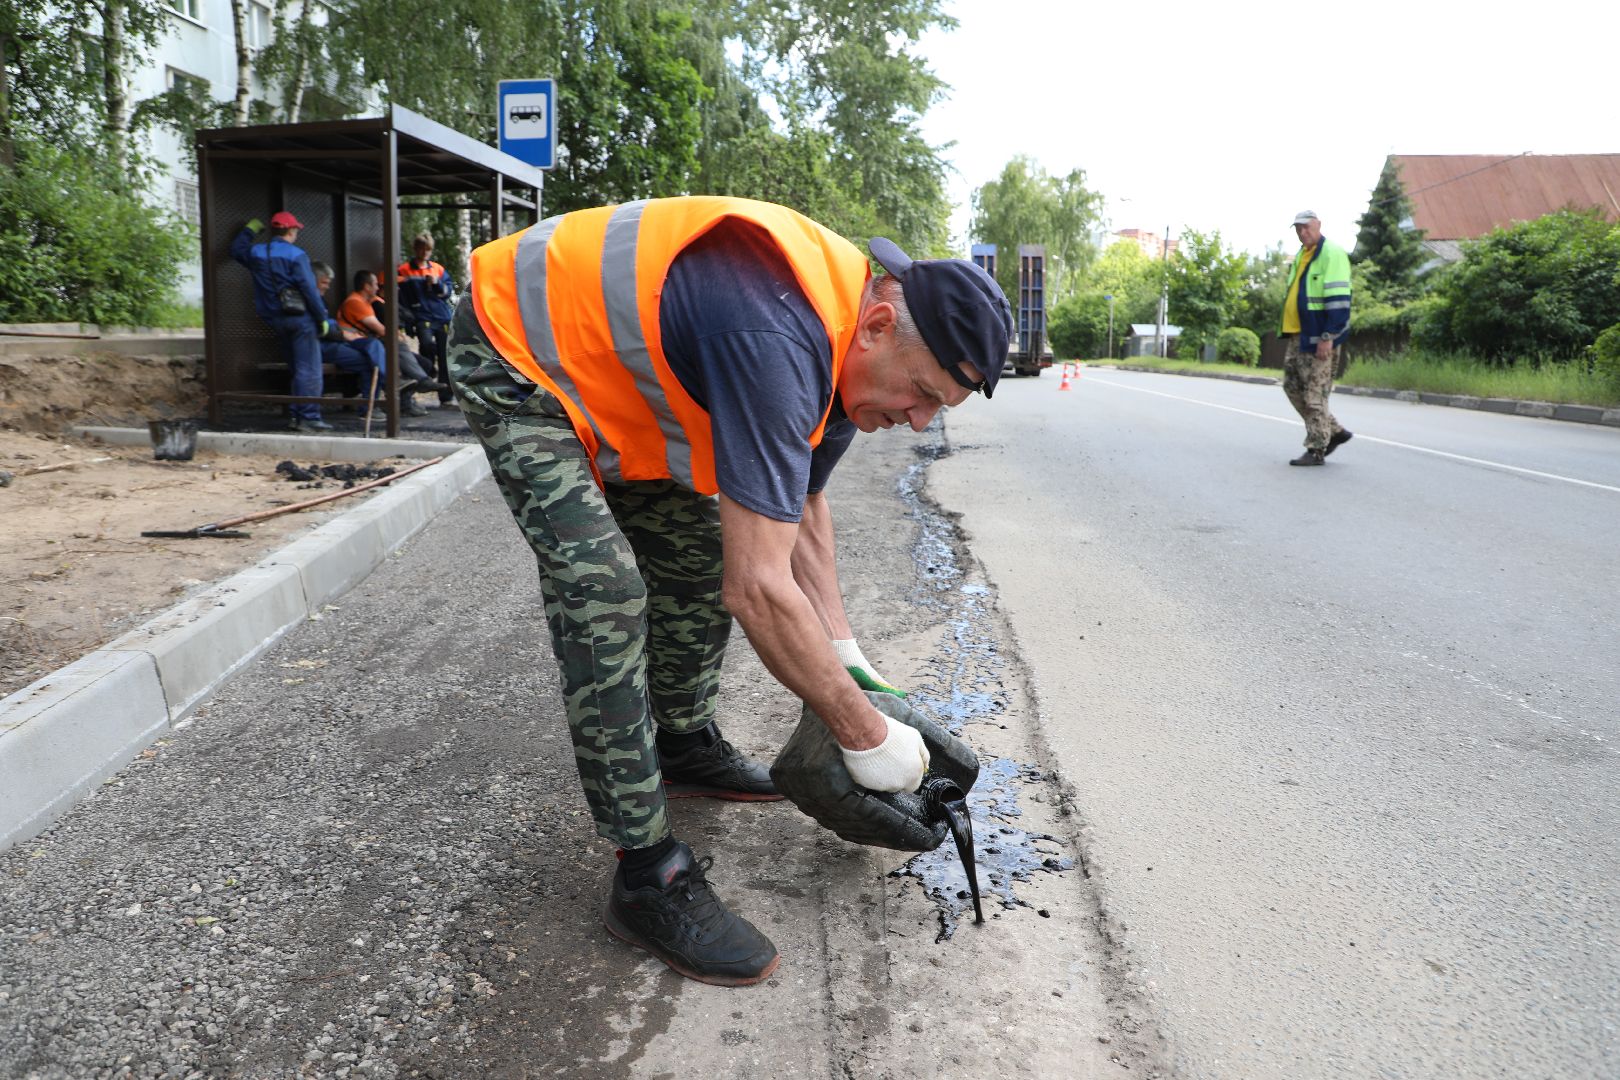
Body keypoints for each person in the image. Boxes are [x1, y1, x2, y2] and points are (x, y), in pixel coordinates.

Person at [449, 196, 1012, 986]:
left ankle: (678, 741)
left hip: (615, 390)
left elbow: (801, 510)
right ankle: (649, 877)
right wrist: (863, 734)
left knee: (697, 553)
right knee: (603, 591)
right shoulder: (778, 340)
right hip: (517, 352)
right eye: (920, 394)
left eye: (936, 411)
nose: (919, 422)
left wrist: (850, 660)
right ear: (880, 324)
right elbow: (758, 588)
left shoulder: (848, 358)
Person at [230, 211, 333, 431]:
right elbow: (308, 289)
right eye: (295, 230)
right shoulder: (297, 255)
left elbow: (236, 250)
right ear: (291, 230)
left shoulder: (257, 253)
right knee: (309, 369)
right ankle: (309, 417)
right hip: (300, 319)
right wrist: (321, 317)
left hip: (276, 320)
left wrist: (249, 230)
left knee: (297, 368)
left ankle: (296, 416)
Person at [314, 265, 447, 417]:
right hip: (351, 342)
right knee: (387, 352)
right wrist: (395, 335)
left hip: (362, 342)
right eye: (376, 284)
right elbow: (381, 330)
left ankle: (408, 395)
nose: (378, 287)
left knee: (415, 360)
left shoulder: (369, 301)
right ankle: (397, 387)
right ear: (367, 286)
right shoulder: (355, 302)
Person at [1279, 211, 1353, 466]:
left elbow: (1340, 299)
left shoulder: (1331, 253)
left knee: (1314, 395)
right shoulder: (1302, 254)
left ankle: (1316, 448)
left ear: (1318, 225)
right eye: (1298, 229)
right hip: (1298, 335)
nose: (1302, 233)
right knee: (1291, 386)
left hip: (1320, 337)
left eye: (1306, 228)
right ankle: (1334, 430)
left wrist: (1328, 336)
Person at [398, 232, 457, 406]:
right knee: (426, 344)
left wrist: (436, 283)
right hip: (422, 317)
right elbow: (401, 299)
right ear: (415, 249)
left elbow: (447, 293)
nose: (425, 253)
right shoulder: (404, 270)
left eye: (428, 250)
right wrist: (408, 321)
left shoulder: (437, 269)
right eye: (422, 249)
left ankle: (446, 396)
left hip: (442, 316)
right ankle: (429, 372)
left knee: (445, 354)